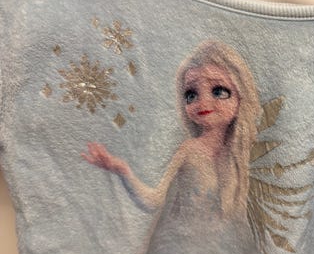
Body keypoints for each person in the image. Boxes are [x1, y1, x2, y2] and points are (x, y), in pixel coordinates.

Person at [81, 39, 262, 223]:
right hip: (182, 238)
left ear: (241, 95)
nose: (203, 103)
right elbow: (154, 201)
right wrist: (122, 170)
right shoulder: (189, 150)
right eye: (191, 95)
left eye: (219, 91)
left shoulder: (242, 155)